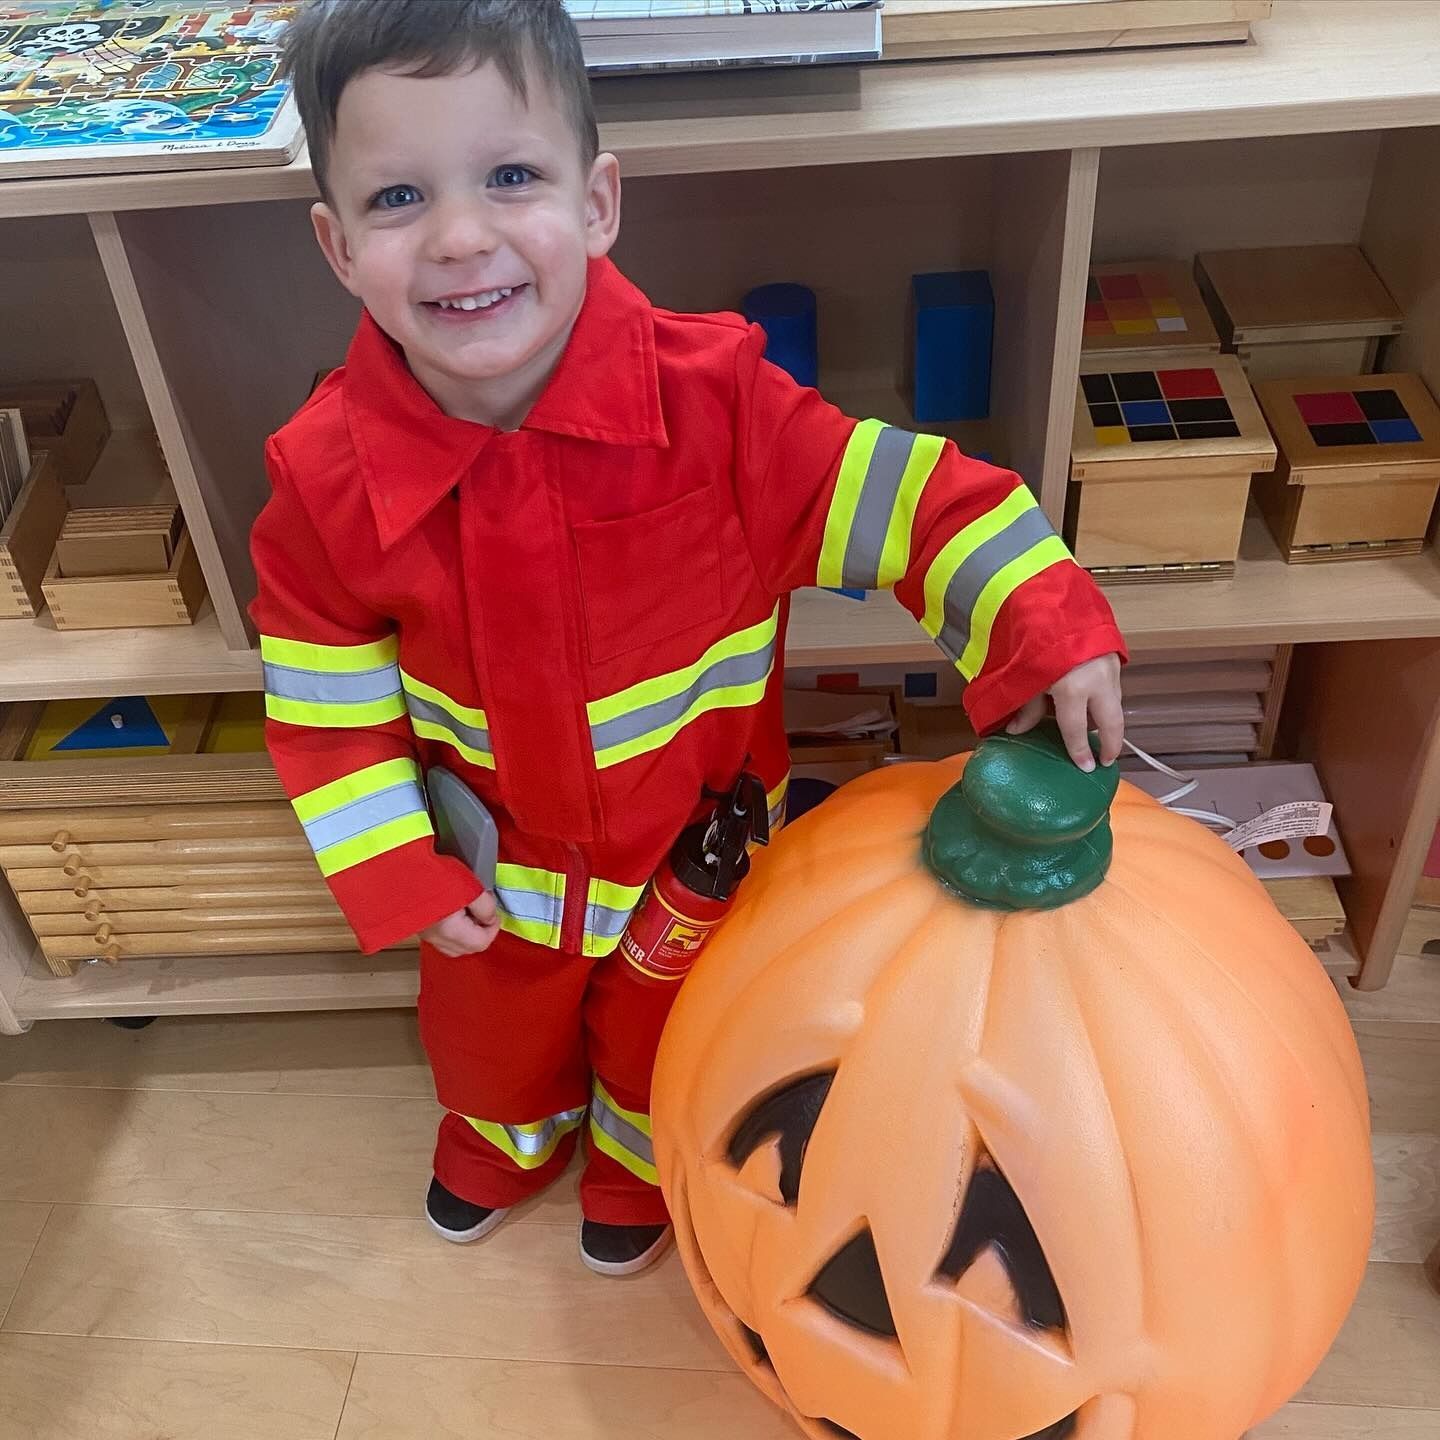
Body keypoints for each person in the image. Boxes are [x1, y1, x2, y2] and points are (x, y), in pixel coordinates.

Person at [250, 0, 1126, 1278]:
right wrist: (398, 867)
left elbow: (915, 504)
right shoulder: (324, 476)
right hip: (492, 878)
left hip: (695, 857)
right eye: (396, 199)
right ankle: (501, 1141)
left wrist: (1043, 626)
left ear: (597, 201)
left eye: (511, 176)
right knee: (488, 1045)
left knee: (677, 1039)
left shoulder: (717, 409)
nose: (459, 236)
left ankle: (632, 1163)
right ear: (336, 245)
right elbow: (323, 698)